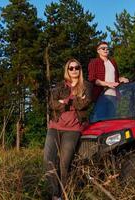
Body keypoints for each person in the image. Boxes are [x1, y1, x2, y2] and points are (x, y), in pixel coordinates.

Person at [44, 58, 92, 200]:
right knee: (48, 160)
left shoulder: (86, 86)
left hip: (73, 129)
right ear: (67, 70)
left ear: (80, 69)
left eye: (76, 67)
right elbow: (51, 104)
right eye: (71, 68)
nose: (74, 70)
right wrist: (71, 100)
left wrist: (64, 101)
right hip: (55, 126)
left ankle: (65, 195)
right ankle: (55, 194)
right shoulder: (60, 85)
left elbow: (84, 104)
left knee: (65, 163)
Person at [88, 41, 128, 120]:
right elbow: (91, 79)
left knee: (112, 119)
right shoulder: (94, 62)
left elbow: (116, 78)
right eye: (103, 48)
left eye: (107, 48)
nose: (106, 50)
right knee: (100, 119)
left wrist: (122, 79)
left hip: (113, 95)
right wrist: (107, 84)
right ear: (98, 51)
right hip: (101, 95)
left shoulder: (112, 62)